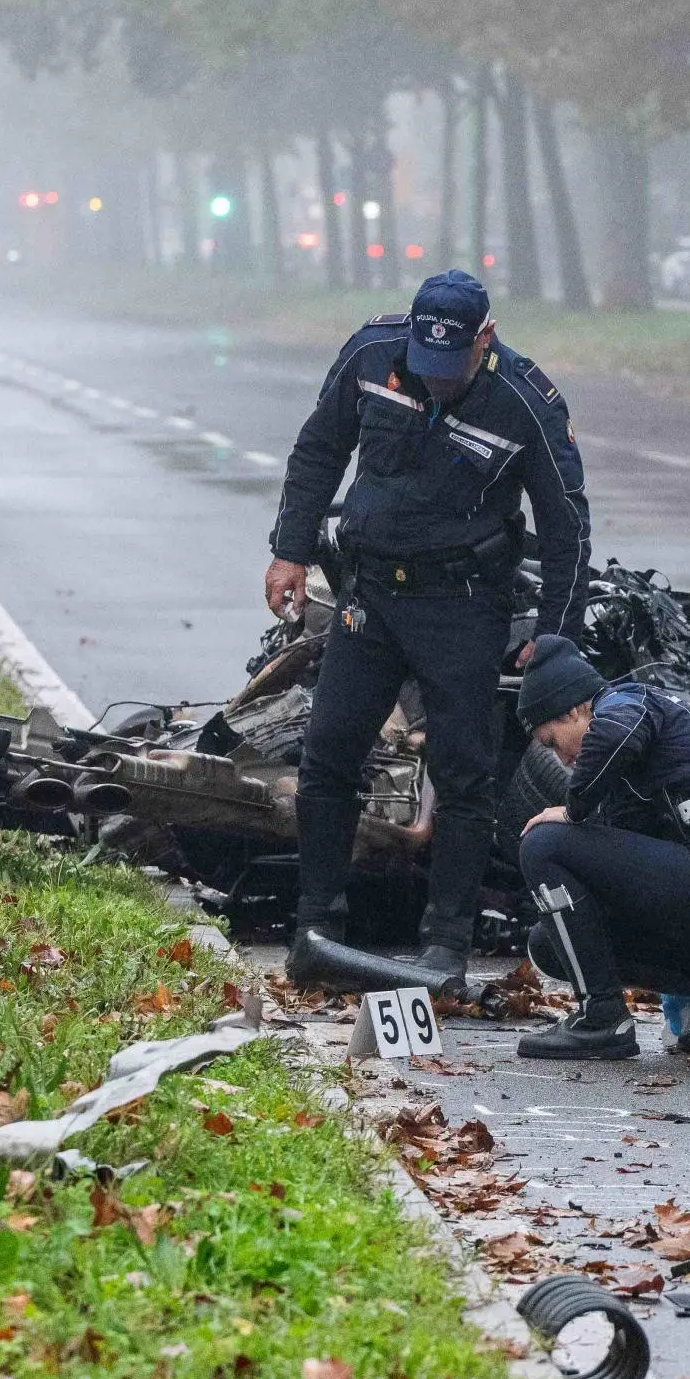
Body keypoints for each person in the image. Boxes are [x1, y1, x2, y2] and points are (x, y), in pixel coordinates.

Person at [265, 269, 588, 996]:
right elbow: (318, 450)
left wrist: (559, 640)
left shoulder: (524, 403)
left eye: (452, 368)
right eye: (424, 363)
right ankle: (317, 925)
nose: (434, 380)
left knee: (465, 773)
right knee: (328, 756)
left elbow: (566, 525)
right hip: (371, 593)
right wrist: (289, 547)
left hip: (463, 604)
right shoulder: (372, 356)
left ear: (485, 338)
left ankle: (445, 942)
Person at [509, 639, 690, 1061]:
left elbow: (618, 733)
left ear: (573, 710)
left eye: (552, 741)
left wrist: (573, 808)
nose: (561, 759)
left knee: (543, 842)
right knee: (552, 942)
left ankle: (600, 1018)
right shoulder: (625, 774)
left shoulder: (626, 701)